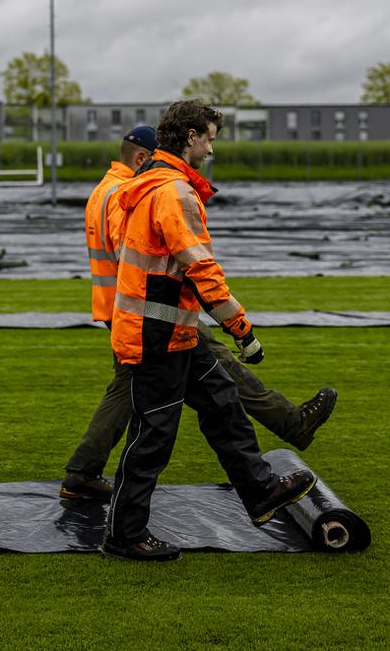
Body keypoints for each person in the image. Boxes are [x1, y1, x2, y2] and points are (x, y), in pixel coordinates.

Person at [60, 126, 337, 502]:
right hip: (150, 314)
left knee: (133, 393)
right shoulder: (126, 194)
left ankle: (84, 473)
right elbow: (141, 253)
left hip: (127, 312)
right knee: (214, 379)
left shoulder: (105, 189)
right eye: (156, 159)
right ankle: (289, 427)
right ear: (142, 159)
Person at [101, 100, 318, 562]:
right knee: (153, 436)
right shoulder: (174, 192)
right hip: (156, 334)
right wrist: (241, 328)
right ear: (192, 136)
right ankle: (124, 535)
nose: (212, 150)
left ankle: (260, 491)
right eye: (211, 139)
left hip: (170, 329)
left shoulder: (151, 184)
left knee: (222, 402)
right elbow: (201, 268)